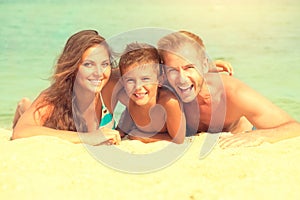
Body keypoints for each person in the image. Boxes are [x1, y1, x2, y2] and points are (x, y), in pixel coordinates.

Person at [157, 30, 300, 148]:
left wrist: (261, 135)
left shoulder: (232, 93)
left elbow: (294, 127)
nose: (182, 78)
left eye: (189, 67)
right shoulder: (164, 90)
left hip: (244, 133)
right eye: (172, 70)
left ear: (204, 65)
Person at [12, 30, 121, 145]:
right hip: (51, 118)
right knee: (33, 117)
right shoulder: (54, 97)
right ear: (73, 67)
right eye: (88, 64)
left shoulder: (111, 83)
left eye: (105, 64)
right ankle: (24, 107)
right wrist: (87, 137)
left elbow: (139, 66)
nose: (99, 73)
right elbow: (20, 132)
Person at [115, 42, 186, 144]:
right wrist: (121, 131)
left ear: (160, 80)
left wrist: (144, 138)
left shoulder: (169, 103)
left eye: (145, 79)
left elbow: (178, 139)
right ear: (122, 82)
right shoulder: (124, 97)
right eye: (130, 80)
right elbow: (128, 112)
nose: (138, 87)